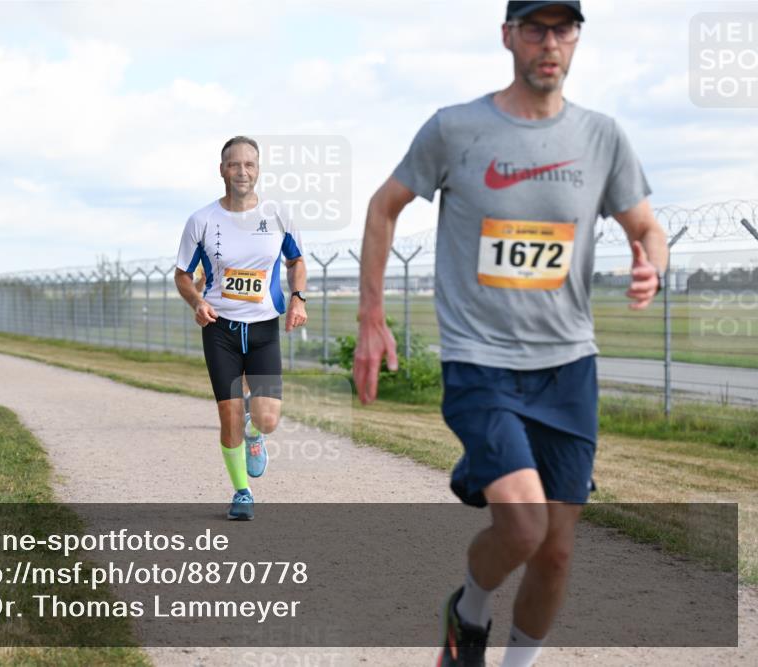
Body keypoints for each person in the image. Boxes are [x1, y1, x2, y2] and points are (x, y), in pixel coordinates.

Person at [353, 3, 668, 666]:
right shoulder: (455, 128)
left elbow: (647, 226)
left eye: (563, 30)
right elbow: (384, 207)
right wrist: (371, 318)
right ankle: (466, 613)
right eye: (535, 29)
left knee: (556, 548)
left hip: (568, 369)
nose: (549, 44)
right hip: (480, 363)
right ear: (508, 37)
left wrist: (651, 264)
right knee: (522, 528)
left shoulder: (602, 136)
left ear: (577, 39)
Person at [174, 136, 308, 521]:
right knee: (228, 413)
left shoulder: (279, 214)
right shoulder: (201, 221)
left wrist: (298, 299)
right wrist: (197, 302)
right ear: (222, 170)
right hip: (220, 328)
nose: (242, 171)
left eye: (250, 164)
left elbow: (297, 262)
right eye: (235, 164)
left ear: (258, 169)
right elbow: (183, 275)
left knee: (267, 419)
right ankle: (242, 492)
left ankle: (255, 434)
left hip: (264, 327)